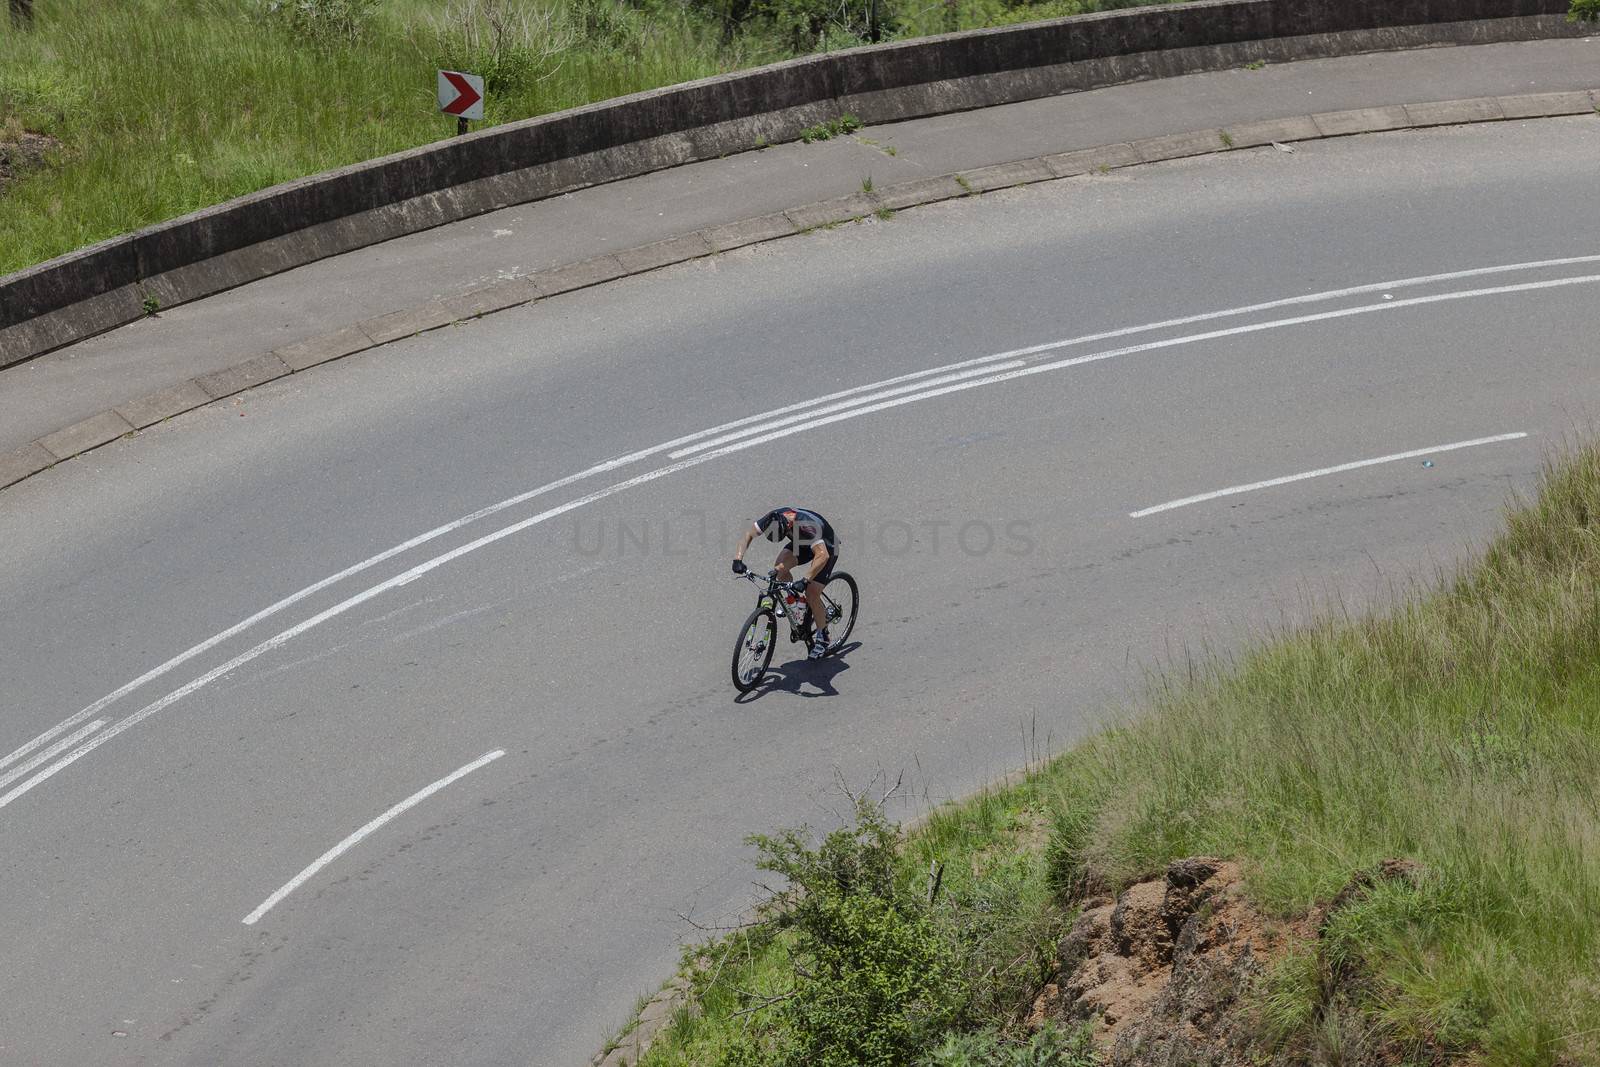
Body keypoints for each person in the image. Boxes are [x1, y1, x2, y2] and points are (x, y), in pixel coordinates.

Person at [732, 507, 839, 659]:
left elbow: (822, 555)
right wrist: (738, 559)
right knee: (779, 571)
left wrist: (805, 580)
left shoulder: (807, 525)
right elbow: (748, 534)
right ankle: (796, 603)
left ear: (787, 526)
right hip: (801, 542)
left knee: (811, 593)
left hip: (826, 547)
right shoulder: (772, 518)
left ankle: (823, 636)